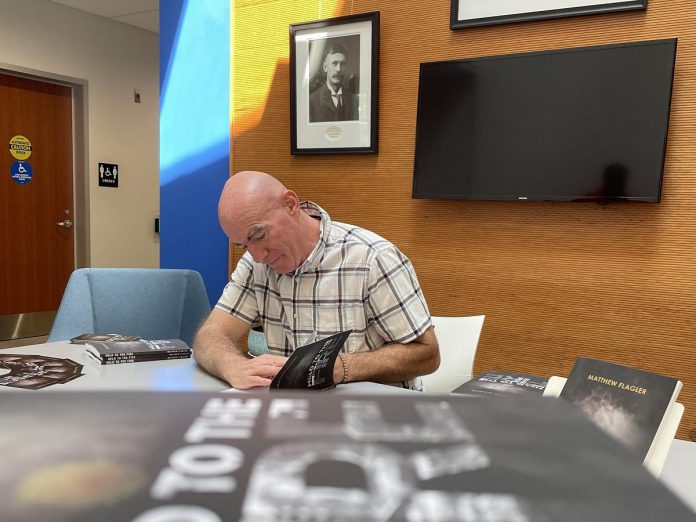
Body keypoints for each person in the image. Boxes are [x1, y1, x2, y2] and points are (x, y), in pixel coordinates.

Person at [193, 171, 439, 390]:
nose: (257, 255)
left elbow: (427, 353)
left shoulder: (371, 258)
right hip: (294, 415)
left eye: (258, 234)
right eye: (243, 244)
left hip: (373, 415)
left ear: (291, 204)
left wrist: (341, 368)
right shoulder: (254, 265)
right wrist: (233, 366)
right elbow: (210, 335)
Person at [309, 43, 359, 122]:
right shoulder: (312, 101)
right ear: (325, 67)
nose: (339, 69)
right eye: (334, 63)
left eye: (342, 64)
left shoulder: (353, 100)